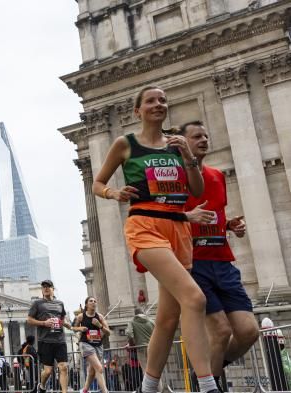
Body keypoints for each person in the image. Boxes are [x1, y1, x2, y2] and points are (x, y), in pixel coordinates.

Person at [91, 86, 217, 393]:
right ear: (138, 111)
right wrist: (114, 193)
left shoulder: (177, 145)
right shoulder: (126, 143)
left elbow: (196, 190)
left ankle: (147, 387)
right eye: (150, 101)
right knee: (195, 298)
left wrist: (188, 156)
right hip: (145, 226)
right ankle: (208, 385)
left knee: (168, 317)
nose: (158, 104)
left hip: (178, 229)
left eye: (162, 100)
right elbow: (97, 183)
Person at [180, 120, 260, 385]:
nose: (203, 140)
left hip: (223, 262)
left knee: (249, 331)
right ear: (182, 143)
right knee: (221, 330)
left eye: (205, 135)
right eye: (196, 137)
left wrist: (229, 226)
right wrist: (187, 217)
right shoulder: (175, 178)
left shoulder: (217, 176)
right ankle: (211, 384)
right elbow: (162, 218)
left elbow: (215, 214)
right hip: (195, 265)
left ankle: (206, 373)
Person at [27, 280, 71, 393]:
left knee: (63, 367)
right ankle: (41, 385)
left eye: (48, 286)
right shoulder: (37, 303)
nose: (46, 288)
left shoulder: (60, 303)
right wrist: (44, 323)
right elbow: (29, 320)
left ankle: (64, 391)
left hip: (60, 340)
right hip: (45, 340)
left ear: (53, 289)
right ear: (42, 290)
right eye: (44, 287)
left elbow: (63, 318)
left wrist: (65, 323)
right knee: (48, 371)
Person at [73, 297, 110, 393]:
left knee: (92, 371)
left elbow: (108, 332)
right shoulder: (81, 316)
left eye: (95, 301)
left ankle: (85, 390)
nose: (93, 303)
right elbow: (74, 328)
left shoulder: (100, 317)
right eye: (91, 301)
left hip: (98, 345)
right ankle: (105, 391)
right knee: (99, 368)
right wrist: (80, 329)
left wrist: (100, 326)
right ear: (86, 304)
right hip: (85, 343)